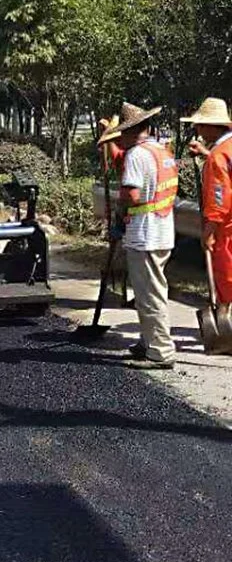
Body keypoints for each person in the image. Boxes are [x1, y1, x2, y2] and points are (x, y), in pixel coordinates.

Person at [100, 102, 178, 369]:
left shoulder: (136, 155)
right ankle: (147, 342)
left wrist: (120, 219)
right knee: (150, 291)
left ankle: (161, 352)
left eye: (122, 133)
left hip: (145, 234)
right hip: (162, 230)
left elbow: (132, 195)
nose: (119, 137)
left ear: (131, 130)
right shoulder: (161, 151)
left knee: (150, 295)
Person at [181, 98, 232, 305]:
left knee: (228, 279)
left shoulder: (218, 156)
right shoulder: (225, 149)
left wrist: (209, 231)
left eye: (200, 125)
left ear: (212, 126)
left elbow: (219, 196)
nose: (198, 129)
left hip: (227, 229)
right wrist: (206, 153)